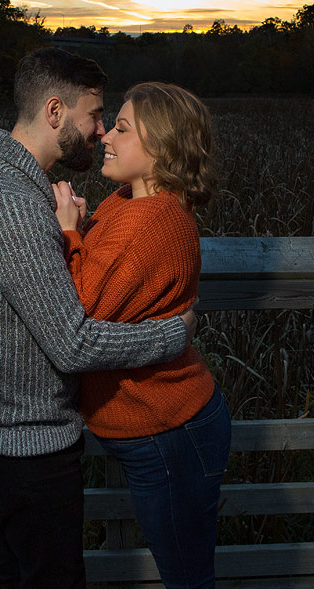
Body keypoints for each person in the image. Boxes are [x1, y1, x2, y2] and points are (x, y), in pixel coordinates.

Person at [0, 49, 198, 589]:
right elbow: (73, 344)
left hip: (3, 431)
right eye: (94, 115)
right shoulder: (13, 206)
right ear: (55, 113)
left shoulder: (17, 190)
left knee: (12, 572)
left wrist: (68, 236)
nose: (99, 131)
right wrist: (172, 333)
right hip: (21, 442)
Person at [53, 81, 231, 589]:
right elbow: (101, 276)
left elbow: (76, 312)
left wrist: (68, 232)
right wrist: (82, 232)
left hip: (170, 429)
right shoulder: (127, 201)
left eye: (123, 129)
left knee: (186, 576)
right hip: (155, 427)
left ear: (162, 148)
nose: (105, 134)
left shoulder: (155, 221)